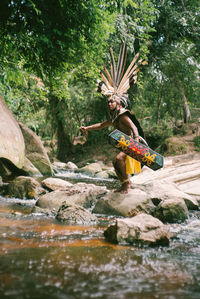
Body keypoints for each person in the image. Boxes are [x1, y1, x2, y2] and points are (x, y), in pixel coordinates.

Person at [80, 43, 146, 193]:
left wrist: (136, 140)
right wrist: (87, 128)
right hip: (125, 143)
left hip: (131, 143)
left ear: (118, 102)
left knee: (118, 159)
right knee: (115, 162)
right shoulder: (115, 116)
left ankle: (127, 185)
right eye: (108, 101)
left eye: (112, 101)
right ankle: (124, 183)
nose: (109, 103)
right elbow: (102, 125)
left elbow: (134, 127)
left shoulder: (123, 114)